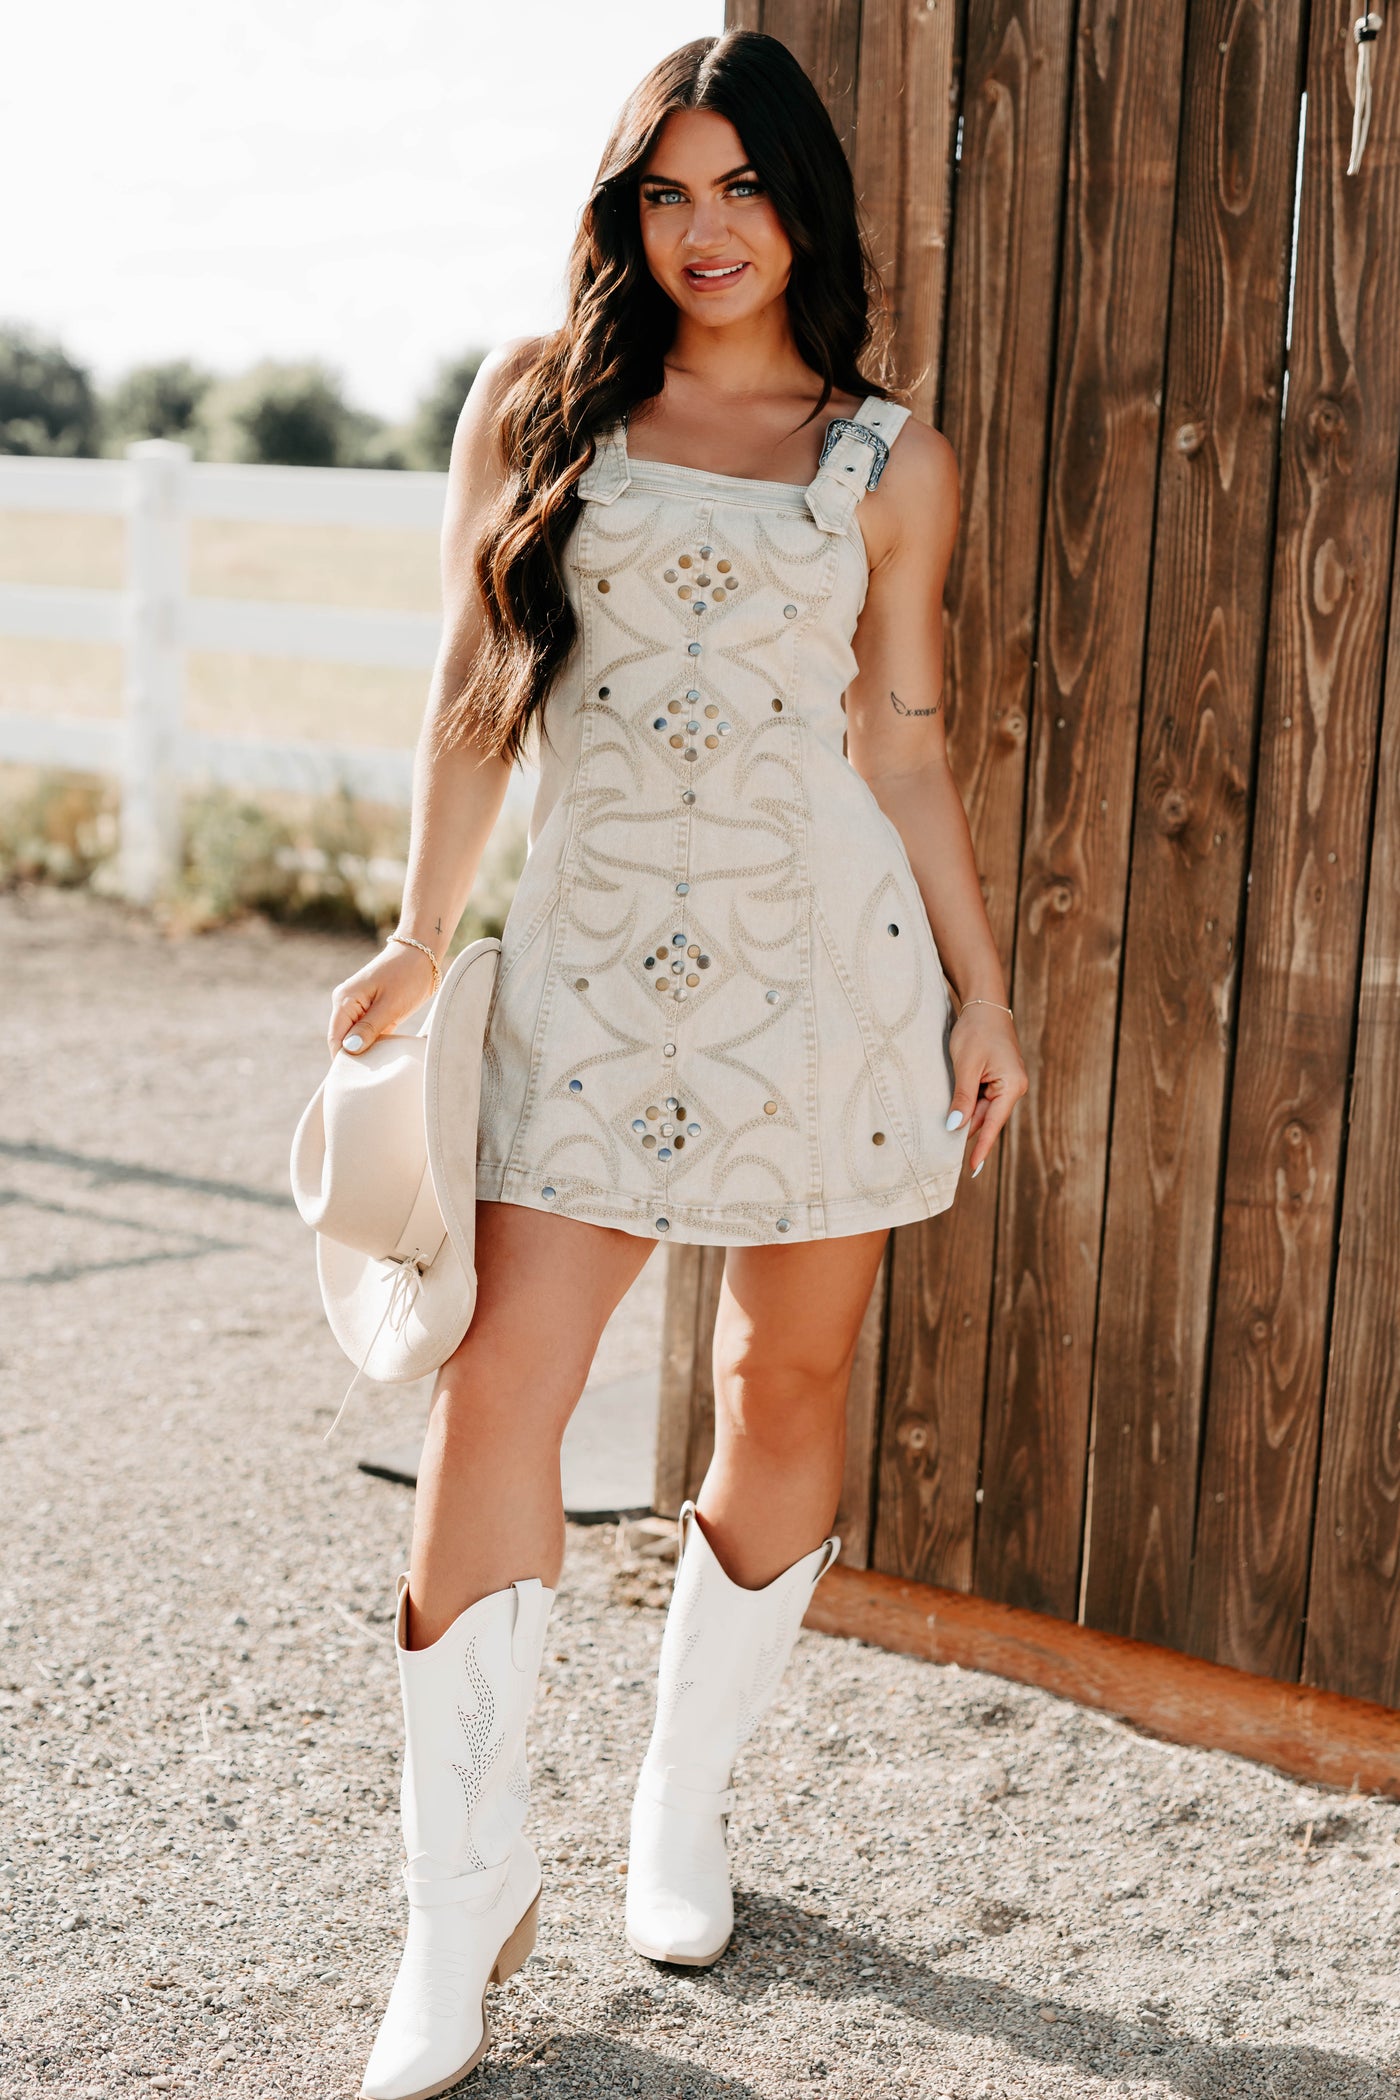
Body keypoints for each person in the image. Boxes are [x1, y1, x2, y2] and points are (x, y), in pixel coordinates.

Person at [326, 29, 1027, 2100]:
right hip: (592, 976)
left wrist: (981, 993)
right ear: (622, 211)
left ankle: (678, 1806)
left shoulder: (889, 457)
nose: (703, 231)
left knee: (781, 1385)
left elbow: (901, 742)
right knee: (495, 1394)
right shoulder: (540, 402)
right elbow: (475, 683)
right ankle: (461, 1899)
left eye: (740, 188)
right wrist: (423, 928)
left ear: (802, 203)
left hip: (829, 982)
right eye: (665, 192)